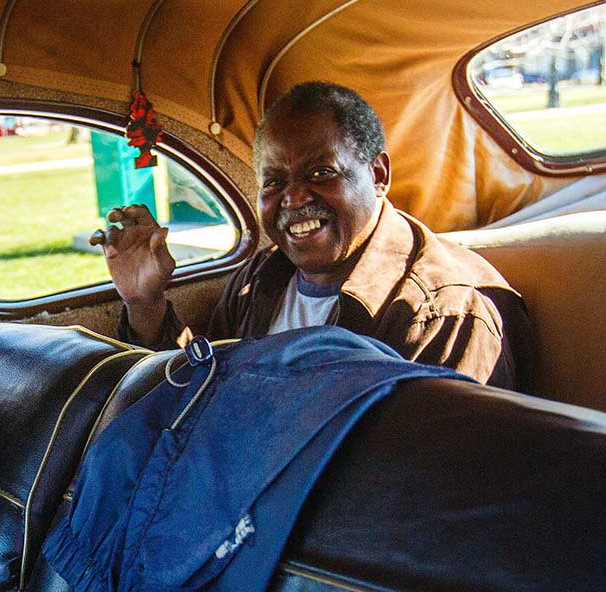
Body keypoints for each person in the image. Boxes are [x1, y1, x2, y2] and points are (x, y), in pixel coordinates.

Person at [98, 82, 527, 386]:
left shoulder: (441, 313)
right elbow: (203, 385)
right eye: (274, 182)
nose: (293, 198)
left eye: (321, 173)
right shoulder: (262, 277)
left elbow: (434, 487)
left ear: (377, 175)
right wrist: (145, 301)